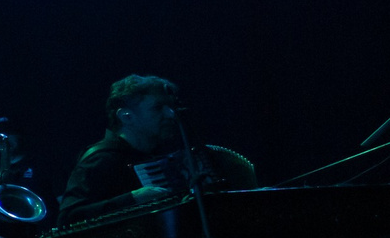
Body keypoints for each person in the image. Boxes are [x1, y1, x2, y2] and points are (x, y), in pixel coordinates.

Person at [59, 75, 258, 215]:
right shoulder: (101, 159)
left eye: (170, 107)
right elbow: (68, 217)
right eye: (158, 108)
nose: (170, 114)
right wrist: (132, 199)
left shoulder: (163, 154)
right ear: (126, 116)